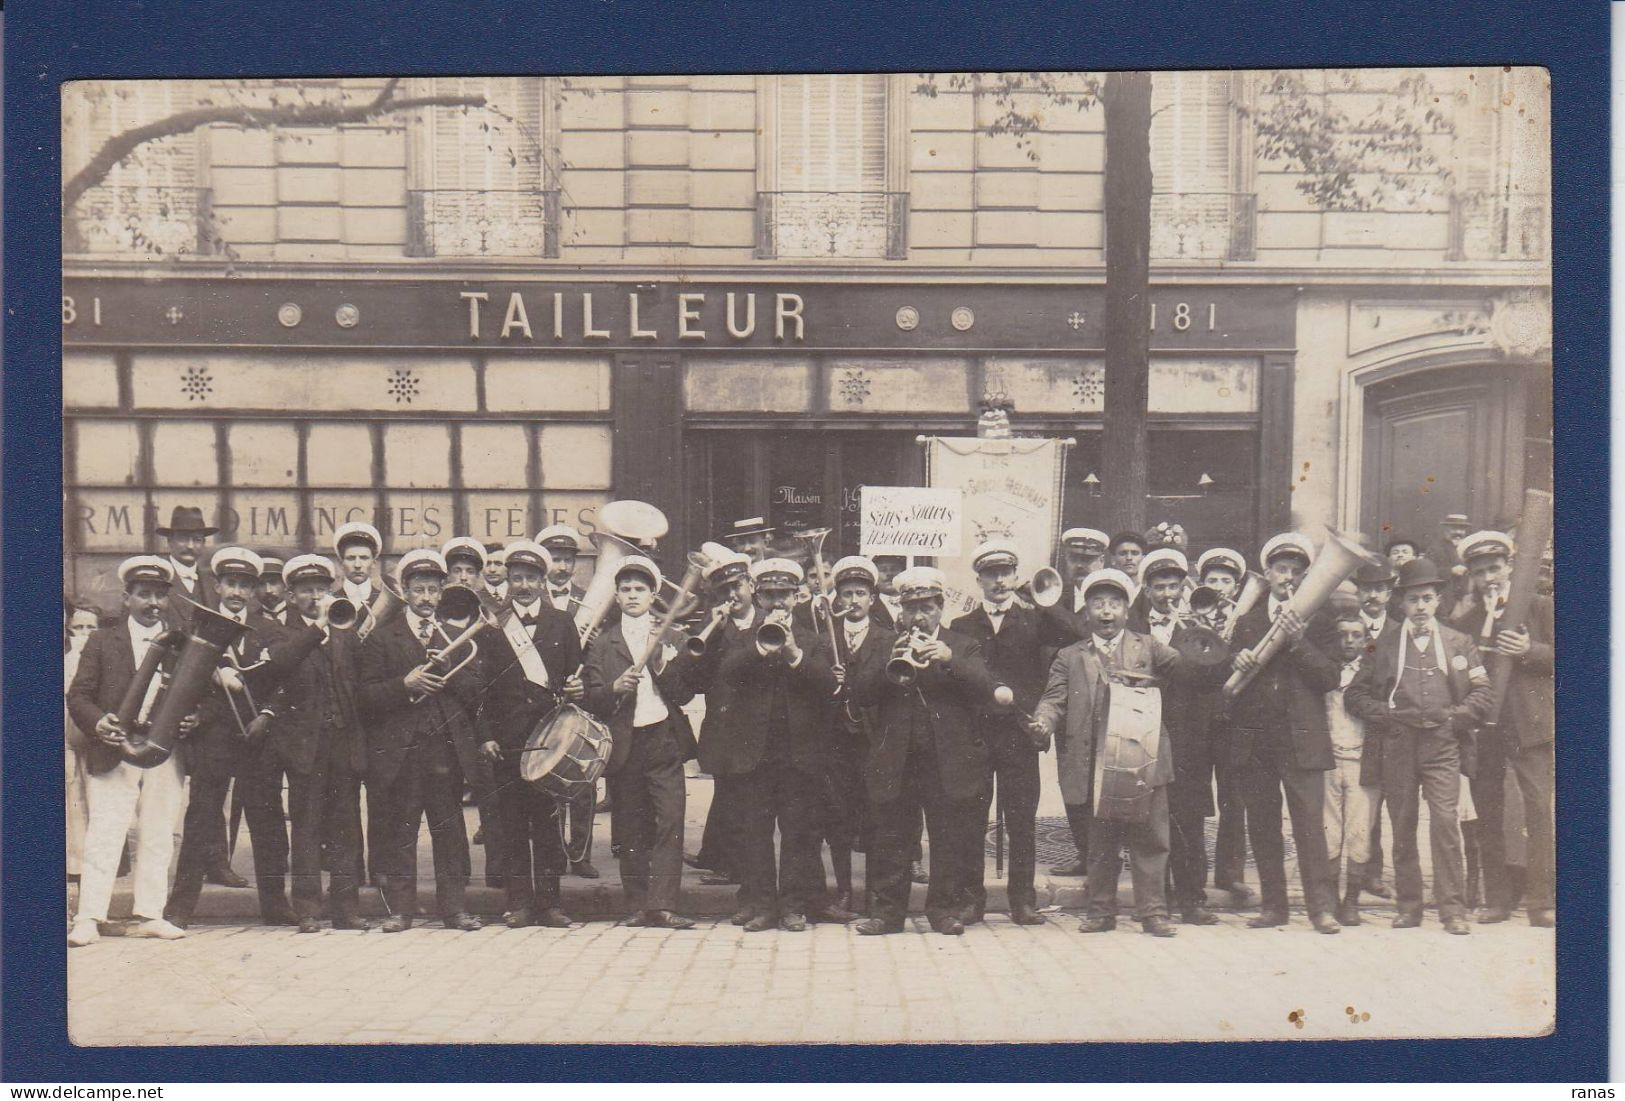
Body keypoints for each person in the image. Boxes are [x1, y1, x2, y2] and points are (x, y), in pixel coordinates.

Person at [1344, 558, 1493, 934]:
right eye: (1414, 600)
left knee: (1445, 823)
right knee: (1403, 824)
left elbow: (1483, 694)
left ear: (1439, 600)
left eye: (1428, 598)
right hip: (1399, 745)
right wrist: (1386, 714)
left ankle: (1452, 910)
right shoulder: (1382, 645)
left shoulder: (1460, 642)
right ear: (1402, 603)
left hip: (1443, 745)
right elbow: (1354, 695)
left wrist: (1454, 718)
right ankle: (1409, 907)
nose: (1422, 607)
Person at [850, 567, 996, 936]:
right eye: (911, 608)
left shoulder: (961, 644)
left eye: (927, 608)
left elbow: (984, 688)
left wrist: (948, 659)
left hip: (944, 759)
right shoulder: (885, 643)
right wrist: (889, 664)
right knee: (892, 835)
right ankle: (886, 913)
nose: (918, 616)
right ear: (900, 610)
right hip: (897, 758)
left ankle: (943, 911)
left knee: (946, 836)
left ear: (940, 607)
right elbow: (861, 693)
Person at [705, 558, 847, 931]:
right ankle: (760, 904)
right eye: (769, 596)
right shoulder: (741, 637)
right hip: (754, 754)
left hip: (798, 755)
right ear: (759, 595)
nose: (776, 604)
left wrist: (793, 653)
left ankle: (794, 906)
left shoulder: (812, 639)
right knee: (755, 833)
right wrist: (760, 649)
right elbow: (726, 673)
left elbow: (828, 685)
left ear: (796, 597)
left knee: (799, 834)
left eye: (783, 596)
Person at [66, 557, 194, 946]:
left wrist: (194, 718)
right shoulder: (103, 640)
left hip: (162, 748)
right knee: (106, 830)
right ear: (127, 598)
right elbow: (79, 695)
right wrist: (97, 722)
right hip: (115, 746)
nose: (152, 602)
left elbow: (199, 694)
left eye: (159, 595)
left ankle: (151, 913)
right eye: (144, 595)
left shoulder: (183, 642)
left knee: (158, 831)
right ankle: (89, 917)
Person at [357, 549, 486, 932]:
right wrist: (404, 685)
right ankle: (401, 911)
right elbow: (365, 695)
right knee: (402, 831)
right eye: (418, 590)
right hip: (402, 751)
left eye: (433, 590)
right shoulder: (383, 637)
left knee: (450, 832)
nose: (427, 598)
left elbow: (477, 691)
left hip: (445, 749)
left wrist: (450, 670)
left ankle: (454, 909)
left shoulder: (456, 637)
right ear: (406, 592)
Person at [163, 546, 289, 927]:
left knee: (268, 823)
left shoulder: (270, 630)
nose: (236, 592)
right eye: (230, 583)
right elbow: (183, 682)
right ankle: (180, 907)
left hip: (258, 738)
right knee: (200, 820)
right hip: (214, 738)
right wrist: (197, 710)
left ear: (253, 591)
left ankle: (275, 905)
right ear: (217, 585)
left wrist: (267, 715)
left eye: (244, 586)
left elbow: (285, 682)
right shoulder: (198, 630)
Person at [1227, 532, 1342, 934]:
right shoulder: (1247, 621)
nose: (1287, 577)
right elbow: (1226, 675)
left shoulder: (1321, 622)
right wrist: (1235, 660)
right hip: (1257, 739)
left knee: (1310, 824)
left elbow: (1330, 677)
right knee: (1262, 822)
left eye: (1295, 571)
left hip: (1302, 739)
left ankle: (1321, 910)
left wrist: (1297, 642)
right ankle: (1274, 907)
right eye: (1280, 569)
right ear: (1268, 573)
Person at [252, 554, 371, 933]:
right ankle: (307, 909)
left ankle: (346, 909)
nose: (315, 597)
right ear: (291, 594)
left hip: (342, 741)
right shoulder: (277, 630)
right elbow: (281, 664)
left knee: (346, 826)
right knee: (306, 826)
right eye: (306, 591)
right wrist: (318, 627)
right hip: (305, 746)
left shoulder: (344, 626)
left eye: (321, 589)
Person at [581, 555, 699, 929]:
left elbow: (683, 695)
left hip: (663, 738)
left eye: (640, 589)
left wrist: (664, 669)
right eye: (626, 589)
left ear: (653, 595)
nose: (632, 595)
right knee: (630, 825)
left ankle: (663, 904)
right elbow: (591, 697)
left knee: (670, 820)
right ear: (616, 595)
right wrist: (614, 688)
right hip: (624, 741)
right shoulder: (602, 644)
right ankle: (637, 904)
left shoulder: (673, 636)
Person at [478, 539, 587, 928]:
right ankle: (519, 902)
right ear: (508, 581)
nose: (522, 586)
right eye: (516, 578)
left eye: (530, 578)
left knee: (546, 824)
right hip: (507, 740)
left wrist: (578, 688)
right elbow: (483, 688)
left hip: (549, 738)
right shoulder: (493, 626)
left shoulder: (562, 622)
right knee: (511, 824)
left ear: (543, 582)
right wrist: (485, 734)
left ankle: (551, 903)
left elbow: (578, 674)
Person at [1450, 530, 1555, 928]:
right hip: (1487, 730)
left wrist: (1529, 651)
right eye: (1480, 572)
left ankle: (1541, 901)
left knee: (1539, 810)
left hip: (1530, 725)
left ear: (1510, 566)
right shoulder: (1467, 620)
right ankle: (1497, 900)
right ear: (1472, 577)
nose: (1489, 578)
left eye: (1494, 568)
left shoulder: (1540, 607)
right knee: (1488, 813)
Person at [954, 540, 1057, 927]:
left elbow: (1072, 633)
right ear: (978, 579)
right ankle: (971, 900)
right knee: (971, 819)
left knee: (1021, 821)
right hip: (977, 735)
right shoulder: (962, 626)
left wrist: (1039, 599)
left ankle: (1022, 901)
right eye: (991, 574)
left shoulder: (1035, 621)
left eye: (1006, 573)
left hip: (1018, 734)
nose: (999, 581)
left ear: (1016, 577)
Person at [1133, 548, 1227, 926]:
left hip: (1189, 736)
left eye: (1174, 586)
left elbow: (1212, 678)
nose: (1168, 594)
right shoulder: (1133, 624)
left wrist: (1205, 636)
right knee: (1151, 819)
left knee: (1189, 819)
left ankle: (1192, 899)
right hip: (1145, 732)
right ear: (1147, 588)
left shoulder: (1195, 627)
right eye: (1159, 587)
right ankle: (1159, 899)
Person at [824, 555, 894, 915]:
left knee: (875, 817)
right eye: (847, 593)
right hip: (835, 743)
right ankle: (844, 892)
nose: (853, 600)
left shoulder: (888, 639)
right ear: (837, 598)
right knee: (838, 818)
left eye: (861, 593)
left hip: (872, 741)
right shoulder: (826, 639)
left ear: (872, 599)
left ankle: (874, 895)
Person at [686, 549, 756, 887]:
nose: (732, 595)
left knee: (748, 800)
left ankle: (737, 865)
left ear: (751, 585)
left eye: (737, 586)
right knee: (729, 794)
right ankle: (727, 864)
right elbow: (696, 679)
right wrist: (712, 632)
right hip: (725, 726)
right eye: (724, 590)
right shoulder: (712, 626)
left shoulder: (768, 622)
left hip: (758, 726)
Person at [1041, 527, 1105, 876]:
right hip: (1069, 703)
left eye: (1087, 560)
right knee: (1072, 781)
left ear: (1101, 561)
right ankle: (1085, 852)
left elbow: (1091, 632)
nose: (1080, 567)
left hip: (1108, 705)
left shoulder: (1112, 595)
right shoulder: (1053, 595)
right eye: (1074, 559)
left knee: (1106, 781)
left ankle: (1105, 854)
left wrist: (1048, 610)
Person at [535, 523, 596, 870]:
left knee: (584, 779)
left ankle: (581, 853)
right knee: (549, 779)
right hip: (544, 698)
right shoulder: (529, 597)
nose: (561, 566)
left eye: (567, 559)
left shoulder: (590, 598)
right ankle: (555, 852)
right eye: (555, 559)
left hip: (580, 696)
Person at [1194, 547, 1252, 902]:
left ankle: (1230, 874)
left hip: (1234, 717)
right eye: (1211, 580)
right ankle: (1194, 876)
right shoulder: (1189, 617)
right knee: (1195, 798)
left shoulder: (1244, 619)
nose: (1218, 587)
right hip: (1198, 719)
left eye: (1225, 581)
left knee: (1235, 797)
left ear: (1236, 586)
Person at [1323, 614, 1380, 926]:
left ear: (1365, 640)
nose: (1349, 641)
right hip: (1328, 760)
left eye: (1356, 635)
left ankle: (1352, 899)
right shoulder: (1324, 671)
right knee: (1329, 829)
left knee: (1359, 831)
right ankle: (1330, 896)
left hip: (1362, 761)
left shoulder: (1374, 673)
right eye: (1343, 634)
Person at [1349, 559, 1399, 900]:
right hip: (1352, 725)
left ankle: (1375, 873)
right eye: (1367, 589)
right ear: (1358, 592)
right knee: (1359, 802)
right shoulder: (1347, 628)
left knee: (1382, 799)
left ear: (1389, 592)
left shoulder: (1401, 629)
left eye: (1380, 589)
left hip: (1388, 730)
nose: (1373, 596)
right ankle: (1356, 869)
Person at [65, 604, 101, 883]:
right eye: (79, 627)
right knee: (73, 797)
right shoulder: (66, 661)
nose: (85, 633)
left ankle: (100, 863)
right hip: (68, 736)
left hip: (95, 736)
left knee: (98, 798)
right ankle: (75, 863)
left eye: (91, 627)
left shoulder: (103, 659)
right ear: (70, 630)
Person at [155, 505, 218, 628]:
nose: (190, 546)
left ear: (203, 544)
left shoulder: (212, 585)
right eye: (183, 539)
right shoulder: (157, 578)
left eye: (197, 540)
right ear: (170, 541)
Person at [255, 556, 289, 622]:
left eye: (273, 582)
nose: (268, 590)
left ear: (285, 585)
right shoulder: (250, 622)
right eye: (261, 584)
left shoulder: (304, 617)